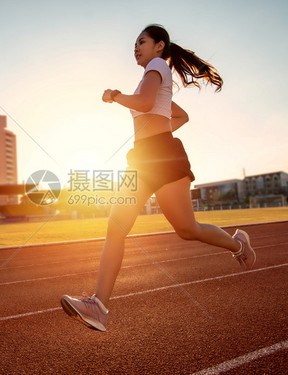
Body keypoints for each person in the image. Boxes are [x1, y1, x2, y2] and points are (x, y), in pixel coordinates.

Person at [61, 24, 255, 332]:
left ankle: (238, 245)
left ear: (159, 46)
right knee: (117, 226)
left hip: (161, 157)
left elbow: (146, 104)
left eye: (142, 42)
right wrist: (156, 130)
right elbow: (178, 115)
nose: (135, 48)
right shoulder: (151, 77)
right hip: (143, 158)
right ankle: (98, 307)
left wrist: (115, 96)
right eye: (134, 44)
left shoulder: (155, 67)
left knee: (187, 229)